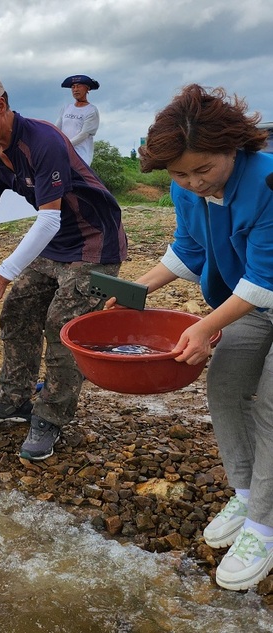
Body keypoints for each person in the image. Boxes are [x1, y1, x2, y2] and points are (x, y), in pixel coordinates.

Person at [0, 70, 126, 461]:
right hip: (54, 243)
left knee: (62, 327)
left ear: (0, 106)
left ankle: (52, 414)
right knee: (18, 312)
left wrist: (2, 273)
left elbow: (48, 219)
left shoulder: (43, 139)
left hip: (93, 243)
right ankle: (14, 398)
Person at [127, 84, 273, 591]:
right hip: (251, 299)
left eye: (203, 170)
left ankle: (265, 527)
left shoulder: (268, 181)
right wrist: (136, 289)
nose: (191, 182)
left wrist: (205, 325)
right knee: (225, 387)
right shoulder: (185, 186)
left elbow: (263, 279)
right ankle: (248, 490)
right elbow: (188, 249)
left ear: (232, 148)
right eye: (180, 174)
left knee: (272, 406)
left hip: (262, 289)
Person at [56, 74, 100, 165]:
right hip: (63, 154)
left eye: (79, 86)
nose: (75, 90)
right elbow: (56, 128)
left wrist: (65, 145)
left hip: (80, 156)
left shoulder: (91, 110)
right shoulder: (66, 108)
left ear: (87, 89)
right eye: (73, 87)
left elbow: (84, 134)